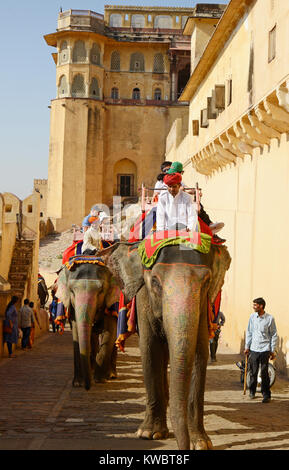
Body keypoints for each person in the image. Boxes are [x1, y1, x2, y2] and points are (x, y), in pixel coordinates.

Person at [244, 297, 278, 403]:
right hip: (254, 348)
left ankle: (266, 394)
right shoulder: (252, 317)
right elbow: (249, 332)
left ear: (261, 306)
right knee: (253, 371)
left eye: (255, 305)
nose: (253, 307)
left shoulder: (270, 319)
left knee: (264, 372)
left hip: (265, 349)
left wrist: (272, 350)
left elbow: (274, 334)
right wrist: (247, 347)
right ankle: (252, 391)